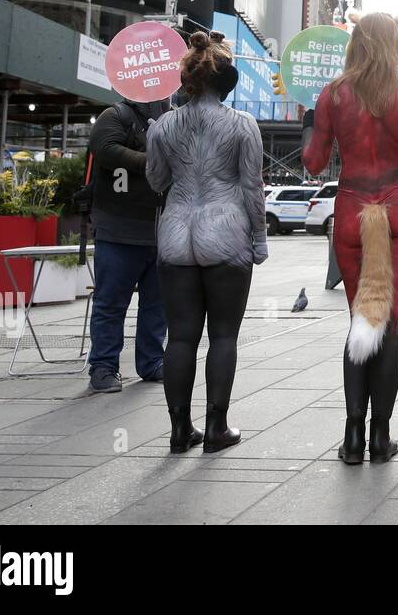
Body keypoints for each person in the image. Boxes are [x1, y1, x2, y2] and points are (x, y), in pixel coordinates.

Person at [302, 12, 398, 465]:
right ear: (393, 44)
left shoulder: (332, 95)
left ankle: (351, 437)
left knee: (359, 322)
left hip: (351, 212)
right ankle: (380, 436)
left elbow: (312, 163)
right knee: (390, 326)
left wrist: (311, 122)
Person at [145, 32, 267, 453]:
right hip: (227, 234)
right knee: (223, 336)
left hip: (176, 234)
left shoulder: (162, 126)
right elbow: (253, 188)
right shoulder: (241, 124)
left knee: (179, 338)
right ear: (225, 81)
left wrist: (153, 140)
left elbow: (157, 181)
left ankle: (180, 431)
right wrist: (260, 237)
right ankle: (217, 428)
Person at [85, 94, 170, 394]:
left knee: (157, 304)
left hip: (161, 230)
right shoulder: (116, 115)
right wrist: (151, 160)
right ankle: (104, 366)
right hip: (118, 229)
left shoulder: (172, 118)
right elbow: (105, 149)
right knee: (110, 303)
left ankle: (152, 362)